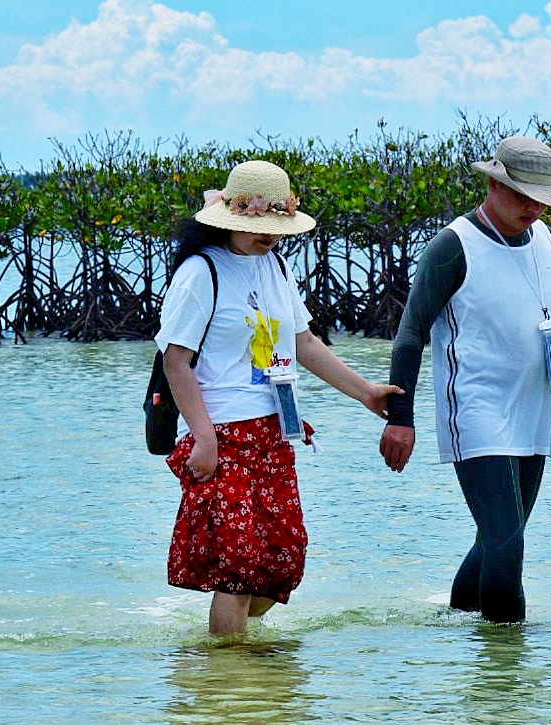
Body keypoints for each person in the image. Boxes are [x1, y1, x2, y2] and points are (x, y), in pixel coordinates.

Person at [382, 136, 551, 624]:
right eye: (521, 195)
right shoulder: (453, 247)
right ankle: (508, 672)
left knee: (497, 536)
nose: (534, 208)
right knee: (506, 539)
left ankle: (456, 626)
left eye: (542, 199)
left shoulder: (545, 242)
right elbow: (410, 335)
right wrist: (400, 418)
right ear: (493, 184)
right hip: (475, 409)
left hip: (535, 410)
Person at [157, 159, 402, 637]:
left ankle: (226, 656)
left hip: (274, 432)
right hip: (223, 436)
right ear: (231, 218)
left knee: (282, 562)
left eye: (276, 226)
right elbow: (175, 361)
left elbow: (303, 344)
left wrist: (366, 393)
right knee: (238, 568)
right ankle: (227, 684)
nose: (268, 236)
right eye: (257, 226)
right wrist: (203, 439)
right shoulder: (201, 272)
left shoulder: (276, 265)